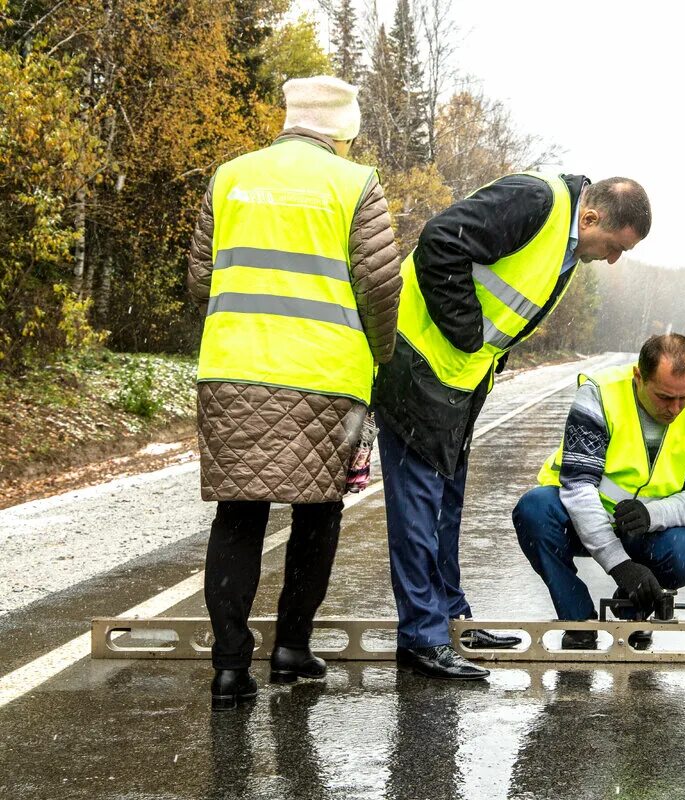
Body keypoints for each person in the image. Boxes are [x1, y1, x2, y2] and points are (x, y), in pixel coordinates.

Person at [373, 173, 652, 679]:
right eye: (613, 246)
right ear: (590, 218)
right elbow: (440, 241)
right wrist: (467, 334)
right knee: (418, 508)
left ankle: (451, 620)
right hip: (420, 367)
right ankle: (421, 637)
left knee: (445, 505)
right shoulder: (536, 201)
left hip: (458, 377)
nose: (613, 259)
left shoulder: (567, 242)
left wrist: (481, 357)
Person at [186, 75, 402, 709]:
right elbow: (381, 287)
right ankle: (290, 648)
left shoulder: (229, 177)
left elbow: (201, 278)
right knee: (317, 510)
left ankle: (230, 668)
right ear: (344, 126)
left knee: (238, 513)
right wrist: (379, 354)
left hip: (231, 370)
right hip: (326, 380)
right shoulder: (354, 184)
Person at [512, 333, 685, 650]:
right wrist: (621, 566)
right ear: (639, 376)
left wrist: (652, 515)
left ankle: (634, 608)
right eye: (665, 397)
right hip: (579, 518)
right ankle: (578, 621)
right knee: (534, 510)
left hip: (643, 526)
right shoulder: (599, 395)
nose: (675, 408)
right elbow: (579, 486)